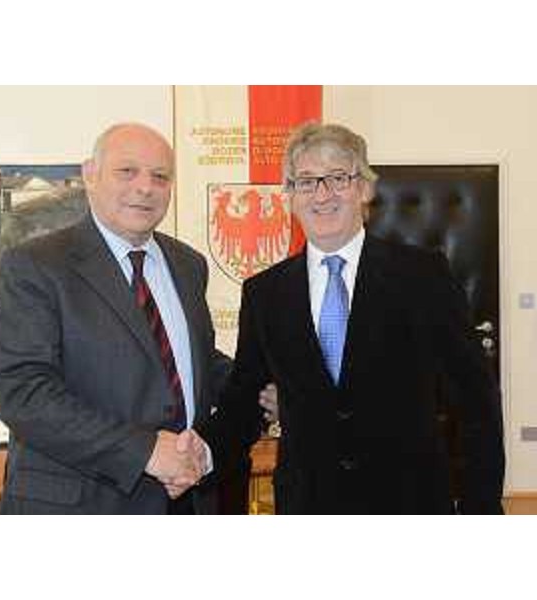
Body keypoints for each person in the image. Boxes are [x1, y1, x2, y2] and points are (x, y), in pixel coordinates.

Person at [197, 122, 505, 514]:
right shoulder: (265, 293)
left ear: (365, 189)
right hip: (308, 506)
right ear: (290, 196)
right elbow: (242, 402)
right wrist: (200, 454)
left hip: (411, 503)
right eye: (306, 181)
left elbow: (476, 401)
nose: (322, 194)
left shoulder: (423, 277)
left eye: (338, 177)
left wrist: (481, 509)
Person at [0, 122, 231, 514]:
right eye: (127, 171)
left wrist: (261, 385)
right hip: (80, 506)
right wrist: (145, 451)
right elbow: (24, 393)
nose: (145, 187)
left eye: (160, 176)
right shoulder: (36, 265)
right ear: (90, 174)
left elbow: (192, 360)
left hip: (184, 500)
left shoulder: (189, 264)